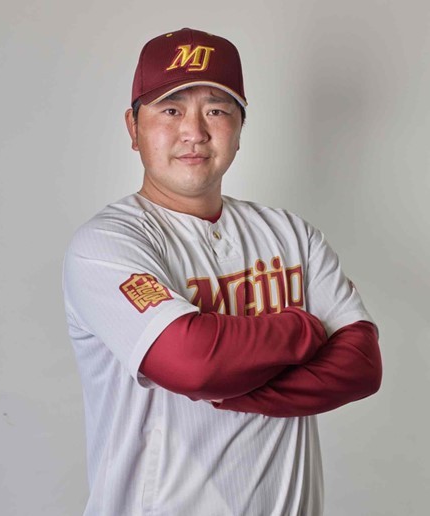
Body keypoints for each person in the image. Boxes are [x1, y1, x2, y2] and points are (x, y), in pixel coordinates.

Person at [63, 27, 382, 516]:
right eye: (171, 110)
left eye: (216, 110)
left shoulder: (292, 233)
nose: (194, 131)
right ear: (133, 127)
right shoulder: (107, 245)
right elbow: (193, 363)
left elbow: (360, 366)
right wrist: (304, 329)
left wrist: (231, 382)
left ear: (239, 127)